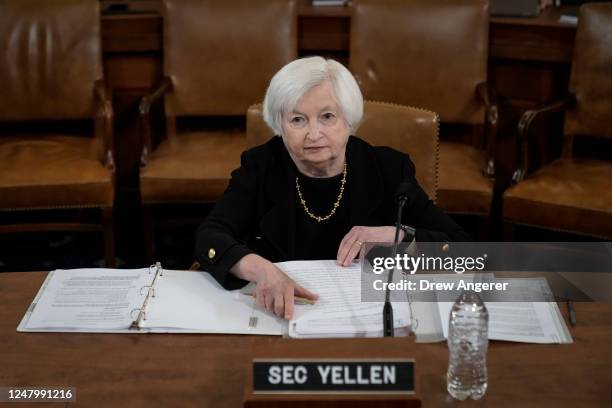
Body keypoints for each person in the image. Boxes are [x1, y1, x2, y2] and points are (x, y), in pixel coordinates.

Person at [195, 56, 468, 320]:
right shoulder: (260, 166)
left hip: (368, 317)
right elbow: (209, 235)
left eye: (327, 116)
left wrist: (401, 237)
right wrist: (260, 270)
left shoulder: (388, 169)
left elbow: (464, 246)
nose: (313, 134)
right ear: (280, 124)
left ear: (349, 120)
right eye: (297, 119)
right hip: (283, 316)